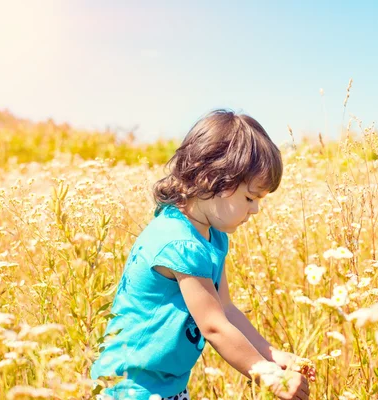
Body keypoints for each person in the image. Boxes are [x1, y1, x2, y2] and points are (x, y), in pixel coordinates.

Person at [91, 109, 313, 400]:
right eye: (250, 198)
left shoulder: (213, 237)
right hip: (129, 387)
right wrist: (267, 374)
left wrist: (270, 354)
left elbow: (226, 310)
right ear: (212, 179)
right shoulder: (179, 241)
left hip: (166, 385)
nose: (255, 209)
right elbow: (214, 326)